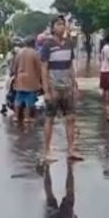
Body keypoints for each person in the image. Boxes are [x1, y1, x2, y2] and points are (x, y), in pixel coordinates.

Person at [41, 15, 81, 161]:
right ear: (52, 27)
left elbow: (70, 66)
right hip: (54, 89)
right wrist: (46, 90)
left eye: (63, 24)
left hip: (67, 88)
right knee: (50, 119)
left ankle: (71, 150)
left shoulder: (69, 44)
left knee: (71, 119)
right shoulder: (47, 45)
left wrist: (74, 84)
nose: (61, 27)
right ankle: (46, 151)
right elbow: (44, 68)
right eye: (58, 24)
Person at [11, 36, 42, 127]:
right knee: (29, 100)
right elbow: (38, 68)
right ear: (33, 43)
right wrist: (40, 79)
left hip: (20, 78)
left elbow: (14, 66)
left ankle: (16, 117)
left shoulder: (19, 52)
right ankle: (27, 118)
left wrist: (14, 75)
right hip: (31, 80)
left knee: (18, 99)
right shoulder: (35, 53)